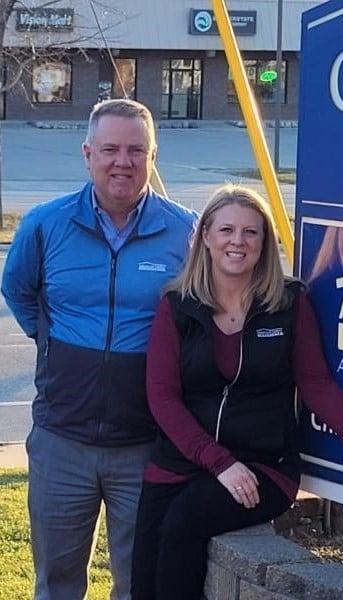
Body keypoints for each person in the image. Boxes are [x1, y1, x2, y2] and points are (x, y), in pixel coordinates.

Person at [130, 184, 343, 599]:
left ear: (264, 242)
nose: (238, 242)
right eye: (227, 230)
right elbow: (162, 397)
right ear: (206, 236)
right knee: (146, 575)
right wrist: (219, 462)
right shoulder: (177, 305)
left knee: (185, 521)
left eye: (251, 232)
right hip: (184, 462)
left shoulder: (288, 302)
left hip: (263, 464)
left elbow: (315, 382)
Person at [1, 99, 196, 600]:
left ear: (154, 156)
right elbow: (19, 289)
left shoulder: (185, 232)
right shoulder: (46, 225)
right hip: (61, 440)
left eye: (136, 150)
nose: (122, 162)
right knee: (57, 584)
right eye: (110, 149)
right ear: (88, 153)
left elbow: (204, 314)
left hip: (146, 442)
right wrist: (53, 345)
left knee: (138, 585)